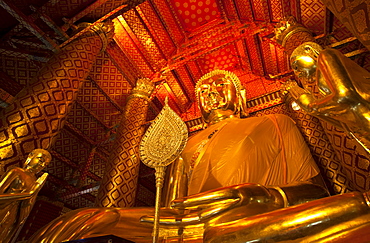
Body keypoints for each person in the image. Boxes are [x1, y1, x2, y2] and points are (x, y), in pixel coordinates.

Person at [28, 70, 328, 242]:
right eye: (203, 90)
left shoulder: (273, 123)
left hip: (255, 226)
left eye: (219, 85)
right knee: (89, 220)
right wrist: (111, 216)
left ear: (241, 95)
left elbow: (315, 192)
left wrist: (262, 197)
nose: (210, 92)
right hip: (191, 232)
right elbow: (170, 217)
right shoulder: (184, 146)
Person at [283, 41, 370, 152]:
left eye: (296, 66)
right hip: (360, 128)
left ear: (308, 50)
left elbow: (345, 96)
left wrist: (312, 106)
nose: (297, 73)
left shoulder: (326, 56)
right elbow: (339, 120)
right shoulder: (320, 82)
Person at [0, 149, 51, 243]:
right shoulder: (16, 171)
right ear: (31, 156)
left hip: (13, 216)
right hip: (2, 209)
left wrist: (35, 190)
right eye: (41, 160)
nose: (42, 165)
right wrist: (27, 194)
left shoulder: (34, 182)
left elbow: (27, 206)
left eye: (45, 165)